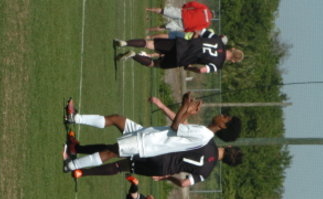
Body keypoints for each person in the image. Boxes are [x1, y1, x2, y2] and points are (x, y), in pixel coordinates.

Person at [63, 96, 243, 186]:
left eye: (225, 117)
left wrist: (185, 108)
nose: (222, 115)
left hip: (150, 143)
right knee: (117, 119)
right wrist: (186, 110)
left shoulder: (205, 135)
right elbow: (179, 127)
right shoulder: (205, 137)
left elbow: (176, 126)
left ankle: (71, 165)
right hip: (151, 137)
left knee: (111, 152)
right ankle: (75, 119)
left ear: (223, 126)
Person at [113, 35, 243, 74]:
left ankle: (125, 43)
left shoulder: (218, 40)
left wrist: (192, 41)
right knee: (155, 64)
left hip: (181, 44)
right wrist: (190, 68)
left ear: (233, 49)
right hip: (183, 58)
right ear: (233, 60)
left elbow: (199, 32)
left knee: (150, 44)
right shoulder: (218, 65)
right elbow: (202, 70)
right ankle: (133, 55)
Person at [146, 2, 213, 33]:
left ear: (210, 11)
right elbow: (196, 28)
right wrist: (186, 30)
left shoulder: (205, 8)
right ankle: (147, 30)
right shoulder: (207, 23)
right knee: (164, 27)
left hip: (183, 14)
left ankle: (147, 9)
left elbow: (193, 4)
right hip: (184, 25)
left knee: (163, 11)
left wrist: (185, 6)